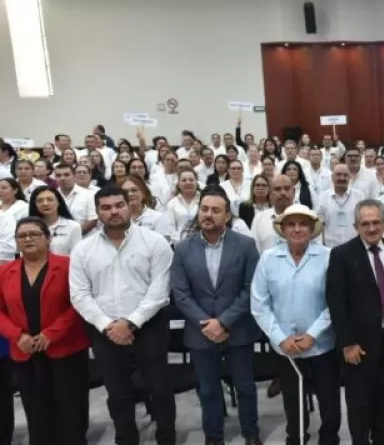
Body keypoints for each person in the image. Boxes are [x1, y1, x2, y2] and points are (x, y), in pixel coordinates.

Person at [68, 185, 176, 445]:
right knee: (118, 393)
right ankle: (126, 439)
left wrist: (130, 323)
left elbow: (160, 290)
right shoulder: (83, 249)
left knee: (159, 389)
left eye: (119, 205)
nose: (113, 212)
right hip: (105, 331)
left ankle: (166, 439)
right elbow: (79, 295)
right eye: (106, 208)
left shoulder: (155, 242)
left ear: (130, 205)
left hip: (149, 326)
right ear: (97, 212)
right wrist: (109, 325)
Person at [170, 190, 262, 445]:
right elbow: (180, 293)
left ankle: (251, 432)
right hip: (200, 330)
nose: (208, 214)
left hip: (237, 327)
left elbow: (251, 288)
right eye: (204, 209)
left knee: (245, 385)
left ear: (227, 216)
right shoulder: (183, 248)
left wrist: (223, 322)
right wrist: (207, 323)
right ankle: (213, 435)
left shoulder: (245, 245)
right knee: (208, 389)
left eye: (215, 210)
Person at [251, 204, 341, 445]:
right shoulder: (268, 259)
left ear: (312, 229)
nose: (297, 229)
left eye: (303, 224)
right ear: (283, 229)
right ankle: (297, 437)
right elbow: (259, 305)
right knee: (293, 402)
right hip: (286, 347)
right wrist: (280, 338)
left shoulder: (328, 257)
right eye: (291, 224)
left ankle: (329, 439)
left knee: (329, 401)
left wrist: (312, 334)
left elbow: (336, 302)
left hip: (322, 345)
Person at [0, 216, 90, 444]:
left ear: (48, 238)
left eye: (34, 234)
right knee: (37, 412)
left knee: (71, 411)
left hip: (66, 349)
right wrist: (17, 336)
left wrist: (51, 333)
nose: (28, 239)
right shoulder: (5, 271)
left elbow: (80, 303)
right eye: (22, 236)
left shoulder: (69, 265)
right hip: (25, 352)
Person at [327, 199, 384, 445]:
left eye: (376, 222)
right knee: (359, 403)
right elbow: (336, 302)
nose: (371, 228)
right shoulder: (342, 255)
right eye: (365, 223)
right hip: (359, 344)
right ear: (355, 226)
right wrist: (347, 343)